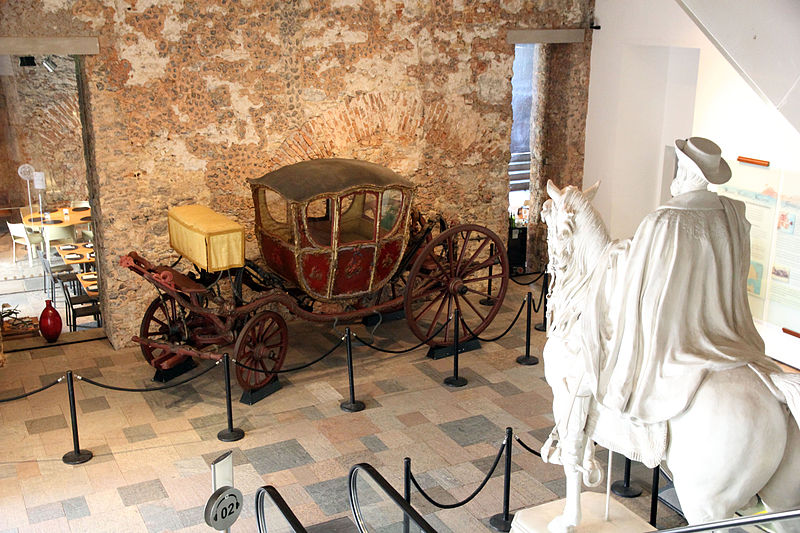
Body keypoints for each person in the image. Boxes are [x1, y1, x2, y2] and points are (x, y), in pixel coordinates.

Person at [582, 137, 778, 424]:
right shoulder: (732, 215)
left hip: (675, 333)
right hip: (724, 328)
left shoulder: (662, 221)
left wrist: (615, 252)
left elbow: (639, 276)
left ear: (685, 173)